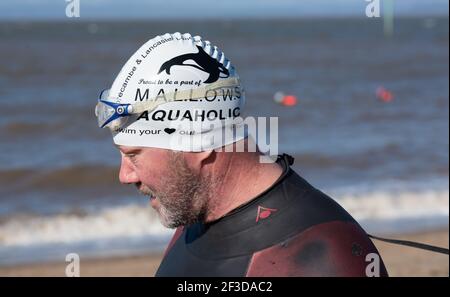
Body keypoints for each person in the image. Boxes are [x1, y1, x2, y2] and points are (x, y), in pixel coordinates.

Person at [95, 32, 388, 277]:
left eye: (133, 155)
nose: (124, 175)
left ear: (198, 138)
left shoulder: (327, 256)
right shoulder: (193, 219)